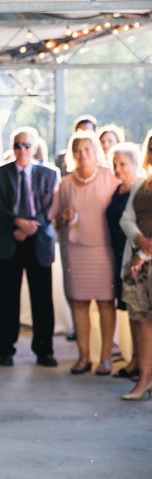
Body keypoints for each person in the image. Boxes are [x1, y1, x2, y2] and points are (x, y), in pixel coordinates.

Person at [0, 126, 60, 367]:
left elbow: (51, 207)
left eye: (27, 145)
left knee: (42, 299)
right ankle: (5, 350)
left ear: (35, 147)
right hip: (9, 242)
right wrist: (18, 223)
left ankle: (44, 351)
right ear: (12, 147)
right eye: (18, 145)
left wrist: (30, 226)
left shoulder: (49, 174)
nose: (22, 150)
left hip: (38, 242)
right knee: (8, 299)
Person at [50, 131, 119, 375]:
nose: (82, 155)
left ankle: (106, 358)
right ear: (72, 154)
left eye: (87, 149)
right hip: (75, 250)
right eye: (77, 150)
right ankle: (83, 356)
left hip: (103, 249)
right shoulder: (65, 183)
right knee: (78, 302)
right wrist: (62, 217)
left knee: (105, 302)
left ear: (96, 152)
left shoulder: (110, 177)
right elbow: (54, 217)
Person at [106, 142, 142, 379]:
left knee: (141, 312)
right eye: (114, 164)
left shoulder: (139, 189)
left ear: (135, 164)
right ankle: (135, 360)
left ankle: (143, 364)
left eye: (123, 164)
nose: (117, 169)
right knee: (131, 310)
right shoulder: (118, 189)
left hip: (137, 256)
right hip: (119, 256)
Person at [118, 147, 152, 400]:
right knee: (142, 323)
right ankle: (144, 379)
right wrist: (139, 239)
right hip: (138, 265)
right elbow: (126, 219)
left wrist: (145, 252)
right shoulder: (141, 183)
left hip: (144, 259)